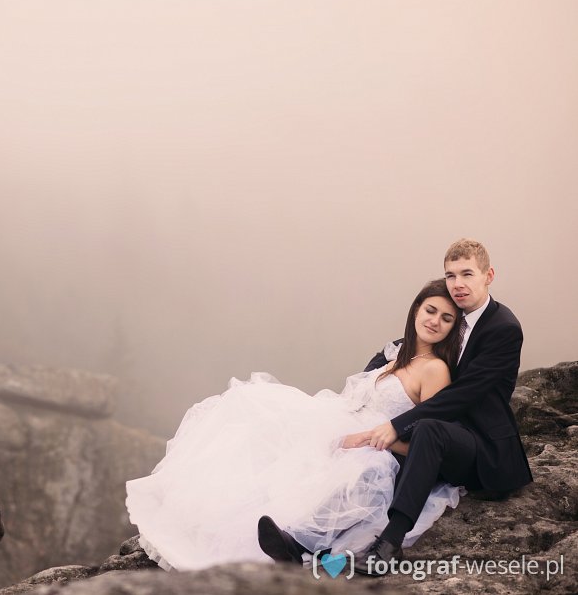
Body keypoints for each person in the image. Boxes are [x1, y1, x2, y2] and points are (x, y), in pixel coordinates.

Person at [125, 278, 463, 571]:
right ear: (416, 310)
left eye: (446, 318)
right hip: (349, 428)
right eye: (430, 310)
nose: (435, 321)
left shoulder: (434, 370)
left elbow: (427, 443)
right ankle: (217, 516)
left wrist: (371, 440)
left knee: (361, 468)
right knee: (260, 412)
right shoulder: (396, 355)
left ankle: (295, 543)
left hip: (380, 449)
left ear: (453, 329)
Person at [342, 238, 532, 575]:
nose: (457, 284)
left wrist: (397, 425)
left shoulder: (503, 328)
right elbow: (422, 341)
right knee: (364, 460)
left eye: (467, 274)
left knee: (424, 431)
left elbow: (463, 394)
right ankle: (303, 543)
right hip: (441, 436)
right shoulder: (454, 318)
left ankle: (389, 544)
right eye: (450, 275)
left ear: (488, 275)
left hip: (480, 446)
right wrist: (392, 356)